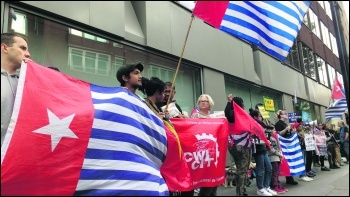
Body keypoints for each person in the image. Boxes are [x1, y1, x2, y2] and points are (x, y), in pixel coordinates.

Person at [1, 32, 31, 146]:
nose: (28, 54)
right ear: (5, 48)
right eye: (22, 48)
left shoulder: (28, 83)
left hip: (16, 158)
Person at [224, 95, 252, 196]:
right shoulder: (237, 114)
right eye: (243, 103)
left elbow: (227, 113)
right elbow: (228, 114)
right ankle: (240, 193)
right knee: (242, 170)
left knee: (240, 169)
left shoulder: (233, 114)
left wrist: (229, 103)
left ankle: (242, 191)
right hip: (242, 146)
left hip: (233, 146)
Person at [191, 94, 217, 196]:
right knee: (206, 181)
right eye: (200, 101)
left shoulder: (214, 117)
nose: (202, 102)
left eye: (205, 101)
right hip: (200, 153)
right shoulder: (195, 116)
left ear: (209, 104)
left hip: (212, 153)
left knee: (213, 182)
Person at [249, 109, 277, 196]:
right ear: (255, 117)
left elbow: (268, 131)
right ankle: (260, 188)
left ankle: (266, 186)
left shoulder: (262, 124)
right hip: (258, 150)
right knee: (260, 169)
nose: (261, 117)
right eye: (259, 116)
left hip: (263, 148)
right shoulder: (252, 125)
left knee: (269, 168)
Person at [274, 110, 299, 185]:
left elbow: (288, 133)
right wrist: (286, 129)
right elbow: (278, 135)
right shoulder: (278, 124)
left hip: (288, 144)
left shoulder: (285, 123)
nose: (286, 115)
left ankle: (290, 177)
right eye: (284, 114)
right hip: (283, 145)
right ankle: (288, 178)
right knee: (286, 162)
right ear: (281, 116)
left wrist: (293, 131)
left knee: (289, 161)